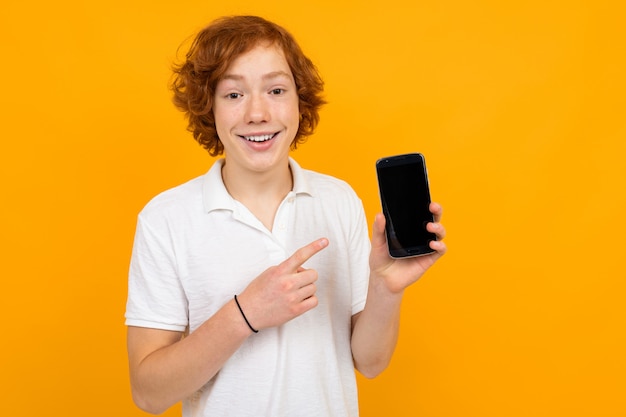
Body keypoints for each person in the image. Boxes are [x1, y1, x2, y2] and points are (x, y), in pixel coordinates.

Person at [125, 15, 447, 417]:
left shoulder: (338, 200)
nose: (258, 113)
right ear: (209, 107)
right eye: (233, 94)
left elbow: (370, 362)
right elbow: (149, 394)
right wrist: (245, 313)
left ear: (299, 101)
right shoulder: (165, 219)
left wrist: (386, 288)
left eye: (276, 90)